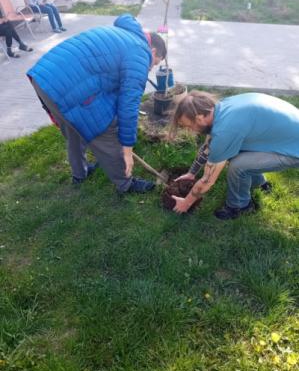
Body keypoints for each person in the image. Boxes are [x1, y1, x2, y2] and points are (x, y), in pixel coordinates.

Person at [27, 14, 167, 193]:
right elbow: (128, 106)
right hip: (65, 86)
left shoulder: (125, 33)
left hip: (44, 78)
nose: (152, 66)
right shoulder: (140, 54)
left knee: (74, 130)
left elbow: (106, 72)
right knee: (107, 129)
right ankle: (125, 184)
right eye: (155, 63)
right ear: (154, 51)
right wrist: (127, 148)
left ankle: (80, 173)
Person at [170, 91, 299, 220]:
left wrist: (186, 203)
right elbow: (209, 146)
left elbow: (207, 182)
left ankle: (240, 206)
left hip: (294, 150)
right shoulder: (221, 109)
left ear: (199, 118)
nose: (190, 130)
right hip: (287, 135)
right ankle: (259, 183)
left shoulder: (225, 131)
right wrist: (191, 173)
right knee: (234, 150)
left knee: (238, 166)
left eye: (189, 126)